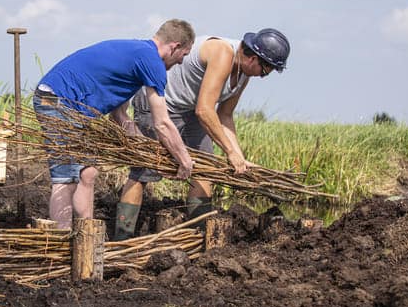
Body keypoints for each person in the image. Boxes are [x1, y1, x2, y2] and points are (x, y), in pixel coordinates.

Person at [114, 28, 290, 240]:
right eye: (265, 71)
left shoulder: (244, 72)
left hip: (190, 108)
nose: (263, 77)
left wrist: (238, 155)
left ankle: (198, 235)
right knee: (143, 172)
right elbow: (205, 110)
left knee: (204, 168)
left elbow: (224, 115)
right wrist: (229, 152)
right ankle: (122, 237)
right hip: (160, 102)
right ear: (254, 58)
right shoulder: (223, 53)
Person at [33, 19, 198, 229]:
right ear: (175, 47)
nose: (182, 62)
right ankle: (62, 241)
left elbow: (120, 116)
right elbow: (163, 123)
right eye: (183, 55)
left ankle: (87, 235)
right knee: (65, 177)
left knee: (88, 173)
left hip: (67, 104)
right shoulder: (152, 61)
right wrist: (184, 160)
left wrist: (148, 153)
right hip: (57, 100)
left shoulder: (138, 55)